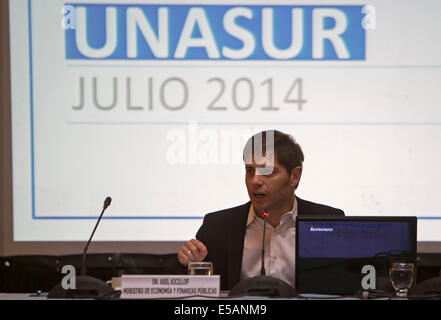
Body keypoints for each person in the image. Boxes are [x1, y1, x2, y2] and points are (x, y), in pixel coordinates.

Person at [177, 130, 344, 290]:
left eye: (268, 171)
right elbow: (192, 289)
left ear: (295, 176)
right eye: (250, 170)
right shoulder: (218, 226)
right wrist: (187, 263)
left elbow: (344, 286)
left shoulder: (328, 221)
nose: (255, 180)